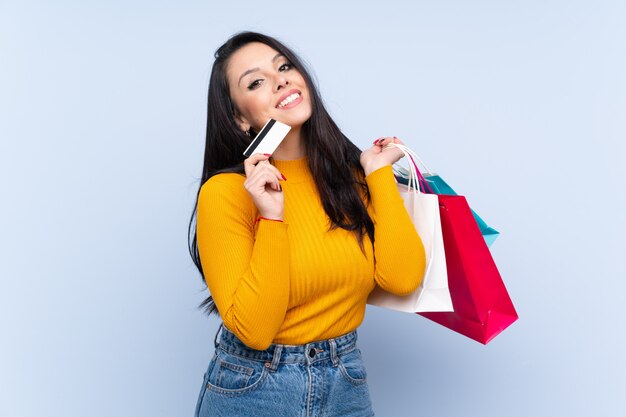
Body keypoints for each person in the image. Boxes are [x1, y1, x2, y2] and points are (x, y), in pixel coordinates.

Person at [188, 31, 426, 417]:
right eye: (256, 81)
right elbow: (255, 330)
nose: (280, 79)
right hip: (255, 387)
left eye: (284, 66)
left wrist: (378, 174)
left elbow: (401, 280)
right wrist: (271, 215)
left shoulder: (350, 182)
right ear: (239, 117)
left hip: (345, 378)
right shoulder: (227, 194)